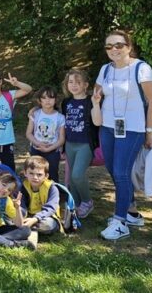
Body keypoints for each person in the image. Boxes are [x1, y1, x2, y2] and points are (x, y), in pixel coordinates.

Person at [93, 30, 152, 241]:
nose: (114, 49)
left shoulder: (142, 69)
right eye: (109, 46)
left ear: (129, 47)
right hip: (108, 128)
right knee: (113, 170)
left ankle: (120, 221)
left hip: (132, 129)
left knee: (122, 172)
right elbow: (97, 94)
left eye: (119, 45)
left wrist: (149, 131)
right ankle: (131, 212)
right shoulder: (105, 69)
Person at [62, 68, 101, 218]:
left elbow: (97, 122)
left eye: (78, 82)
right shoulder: (66, 102)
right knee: (72, 178)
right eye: (70, 82)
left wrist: (96, 104)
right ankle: (76, 205)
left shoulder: (91, 101)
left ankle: (87, 201)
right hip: (70, 144)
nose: (73, 85)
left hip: (85, 144)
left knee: (77, 175)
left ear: (85, 85)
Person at [25, 86, 66, 183]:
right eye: (44, 98)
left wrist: (49, 148)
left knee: (52, 176)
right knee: (35, 174)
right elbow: (28, 133)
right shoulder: (35, 114)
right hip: (36, 149)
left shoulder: (60, 117)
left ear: (56, 100)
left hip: (53, 151)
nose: (47, 100)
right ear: (39, 100)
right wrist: (38, 143)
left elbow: (61, 139)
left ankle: (53, 192)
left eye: (51, 97)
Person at [20, 156, 61, 237]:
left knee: (48, 225)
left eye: (39, 174)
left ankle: (27, 228)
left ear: (46, 176)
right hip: (29, 216)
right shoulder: (23, 187)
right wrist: (21, 217)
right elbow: (22, 206)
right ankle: (29, 227)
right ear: (25, 173)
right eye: (31, 173)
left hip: (46, 217)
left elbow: (51, 208)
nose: (35, 177)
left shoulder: (52, 188)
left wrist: (35, 219)